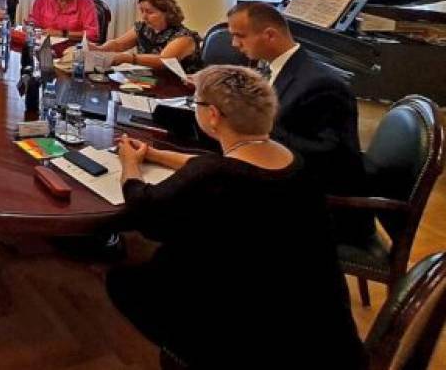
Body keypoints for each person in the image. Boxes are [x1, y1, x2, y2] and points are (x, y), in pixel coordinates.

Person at [107, 65, 364, 368]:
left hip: (242, 340)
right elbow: (212, 163)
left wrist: (130, 164)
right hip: (321, 334)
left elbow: (144, 209)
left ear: (213, 115)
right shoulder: (293, 162)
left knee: (122, 280)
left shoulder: (213, 179)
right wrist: (154, 154)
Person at [226, 1, 370, 242]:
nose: (234, 44)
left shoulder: (322, 83)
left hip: (323, 209)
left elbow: (331, 155)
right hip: (292, 184)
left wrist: (254, 132)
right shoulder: (276, 69)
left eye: (240, 36)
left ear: (270, 35)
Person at [96, 0, 201, 73]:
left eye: (149, 12)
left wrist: (130, 58)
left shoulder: (183, 37)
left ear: (167, 13)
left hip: (178, 85)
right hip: (149, 80)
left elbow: (163, 61)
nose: (144, 17)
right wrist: (99, 48)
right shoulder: (143, 28)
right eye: (142, 11)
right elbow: (118, 44)